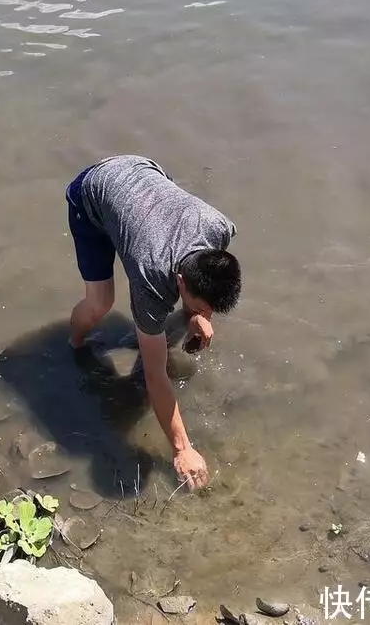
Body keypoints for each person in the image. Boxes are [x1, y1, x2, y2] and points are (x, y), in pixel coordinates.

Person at [65, 155, 241, 492]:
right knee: (100, 303)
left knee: (163, 329)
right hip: (91, 195)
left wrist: (199, 314)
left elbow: (208, 287)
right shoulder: (149, 278)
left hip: (145, 172)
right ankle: (72, 347)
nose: (208, 312)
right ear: (178, 282)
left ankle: (190, 307)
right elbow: (154, 373)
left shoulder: (218, 226)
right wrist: (183, 449)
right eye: (199, 304)